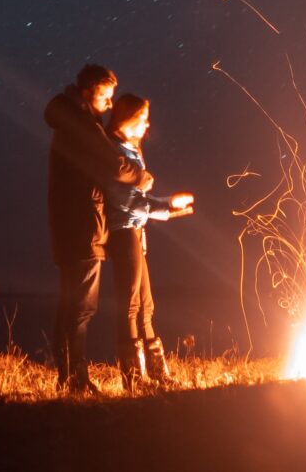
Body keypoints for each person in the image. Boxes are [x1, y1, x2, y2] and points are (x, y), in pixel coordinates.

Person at [44, 63, 150, 394]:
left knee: (72, 305)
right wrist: (142, 177)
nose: (109, 103)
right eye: (106, 96)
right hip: (83, 227)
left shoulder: (75, 122)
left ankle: (70, 377)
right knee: (81, 306)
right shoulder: (82, 125)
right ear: (90, 93)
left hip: (72, 225)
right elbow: (114, 166)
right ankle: (75, 379)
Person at [101, 94, 192, 390]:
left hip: (137, 232)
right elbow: (124, 201)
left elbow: (138, 200)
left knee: (146, 306)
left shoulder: (131, 150)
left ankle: (156, 373)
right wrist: (165, 209)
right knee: (129, 306)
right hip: (123, 231)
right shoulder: (114, 152)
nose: (147, 124)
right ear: (126, 119)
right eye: (142, 118)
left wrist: (169, 204)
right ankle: (134, 379)